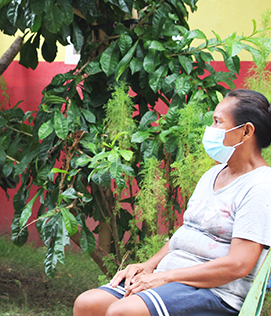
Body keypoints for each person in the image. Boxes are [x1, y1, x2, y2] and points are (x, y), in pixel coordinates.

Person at [73, 89, 271, 316]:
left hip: (216, 293)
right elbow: (188, 232)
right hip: (174, 277)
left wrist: (164, 277)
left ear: (246, 131)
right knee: (88, 304)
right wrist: (148, 266)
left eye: (218, 122)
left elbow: (239, 264)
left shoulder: (261, 186)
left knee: (123, 312)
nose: (210, 129)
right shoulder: (213, 174)